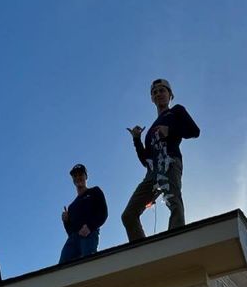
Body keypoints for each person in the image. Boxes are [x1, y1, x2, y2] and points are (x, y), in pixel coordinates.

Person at [121, 78, 200, 241]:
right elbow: (145, 160)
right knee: (129, 215)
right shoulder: (150, 130)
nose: (158, 94)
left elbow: (194, 131)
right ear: (152, 98)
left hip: (170, 162)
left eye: (162, 90)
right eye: (154, 92)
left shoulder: (176, 111)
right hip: (152, 173)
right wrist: (136, 139)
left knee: (174, 203)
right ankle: (141, 250)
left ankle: (175, 242)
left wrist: (170, 130)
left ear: (170, 94)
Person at [59, 164, 108, 263]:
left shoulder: (95, 191)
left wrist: (89, 227)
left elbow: (103, 213)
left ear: (86, 176)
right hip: (73, 239)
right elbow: (70, 231)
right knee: (61, 267)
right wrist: (66, 221)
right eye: (75, 176)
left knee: (88, 264)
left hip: (89, 235)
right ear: (73, 179)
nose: (78, 177)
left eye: (80, 174)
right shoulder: (71, 206)